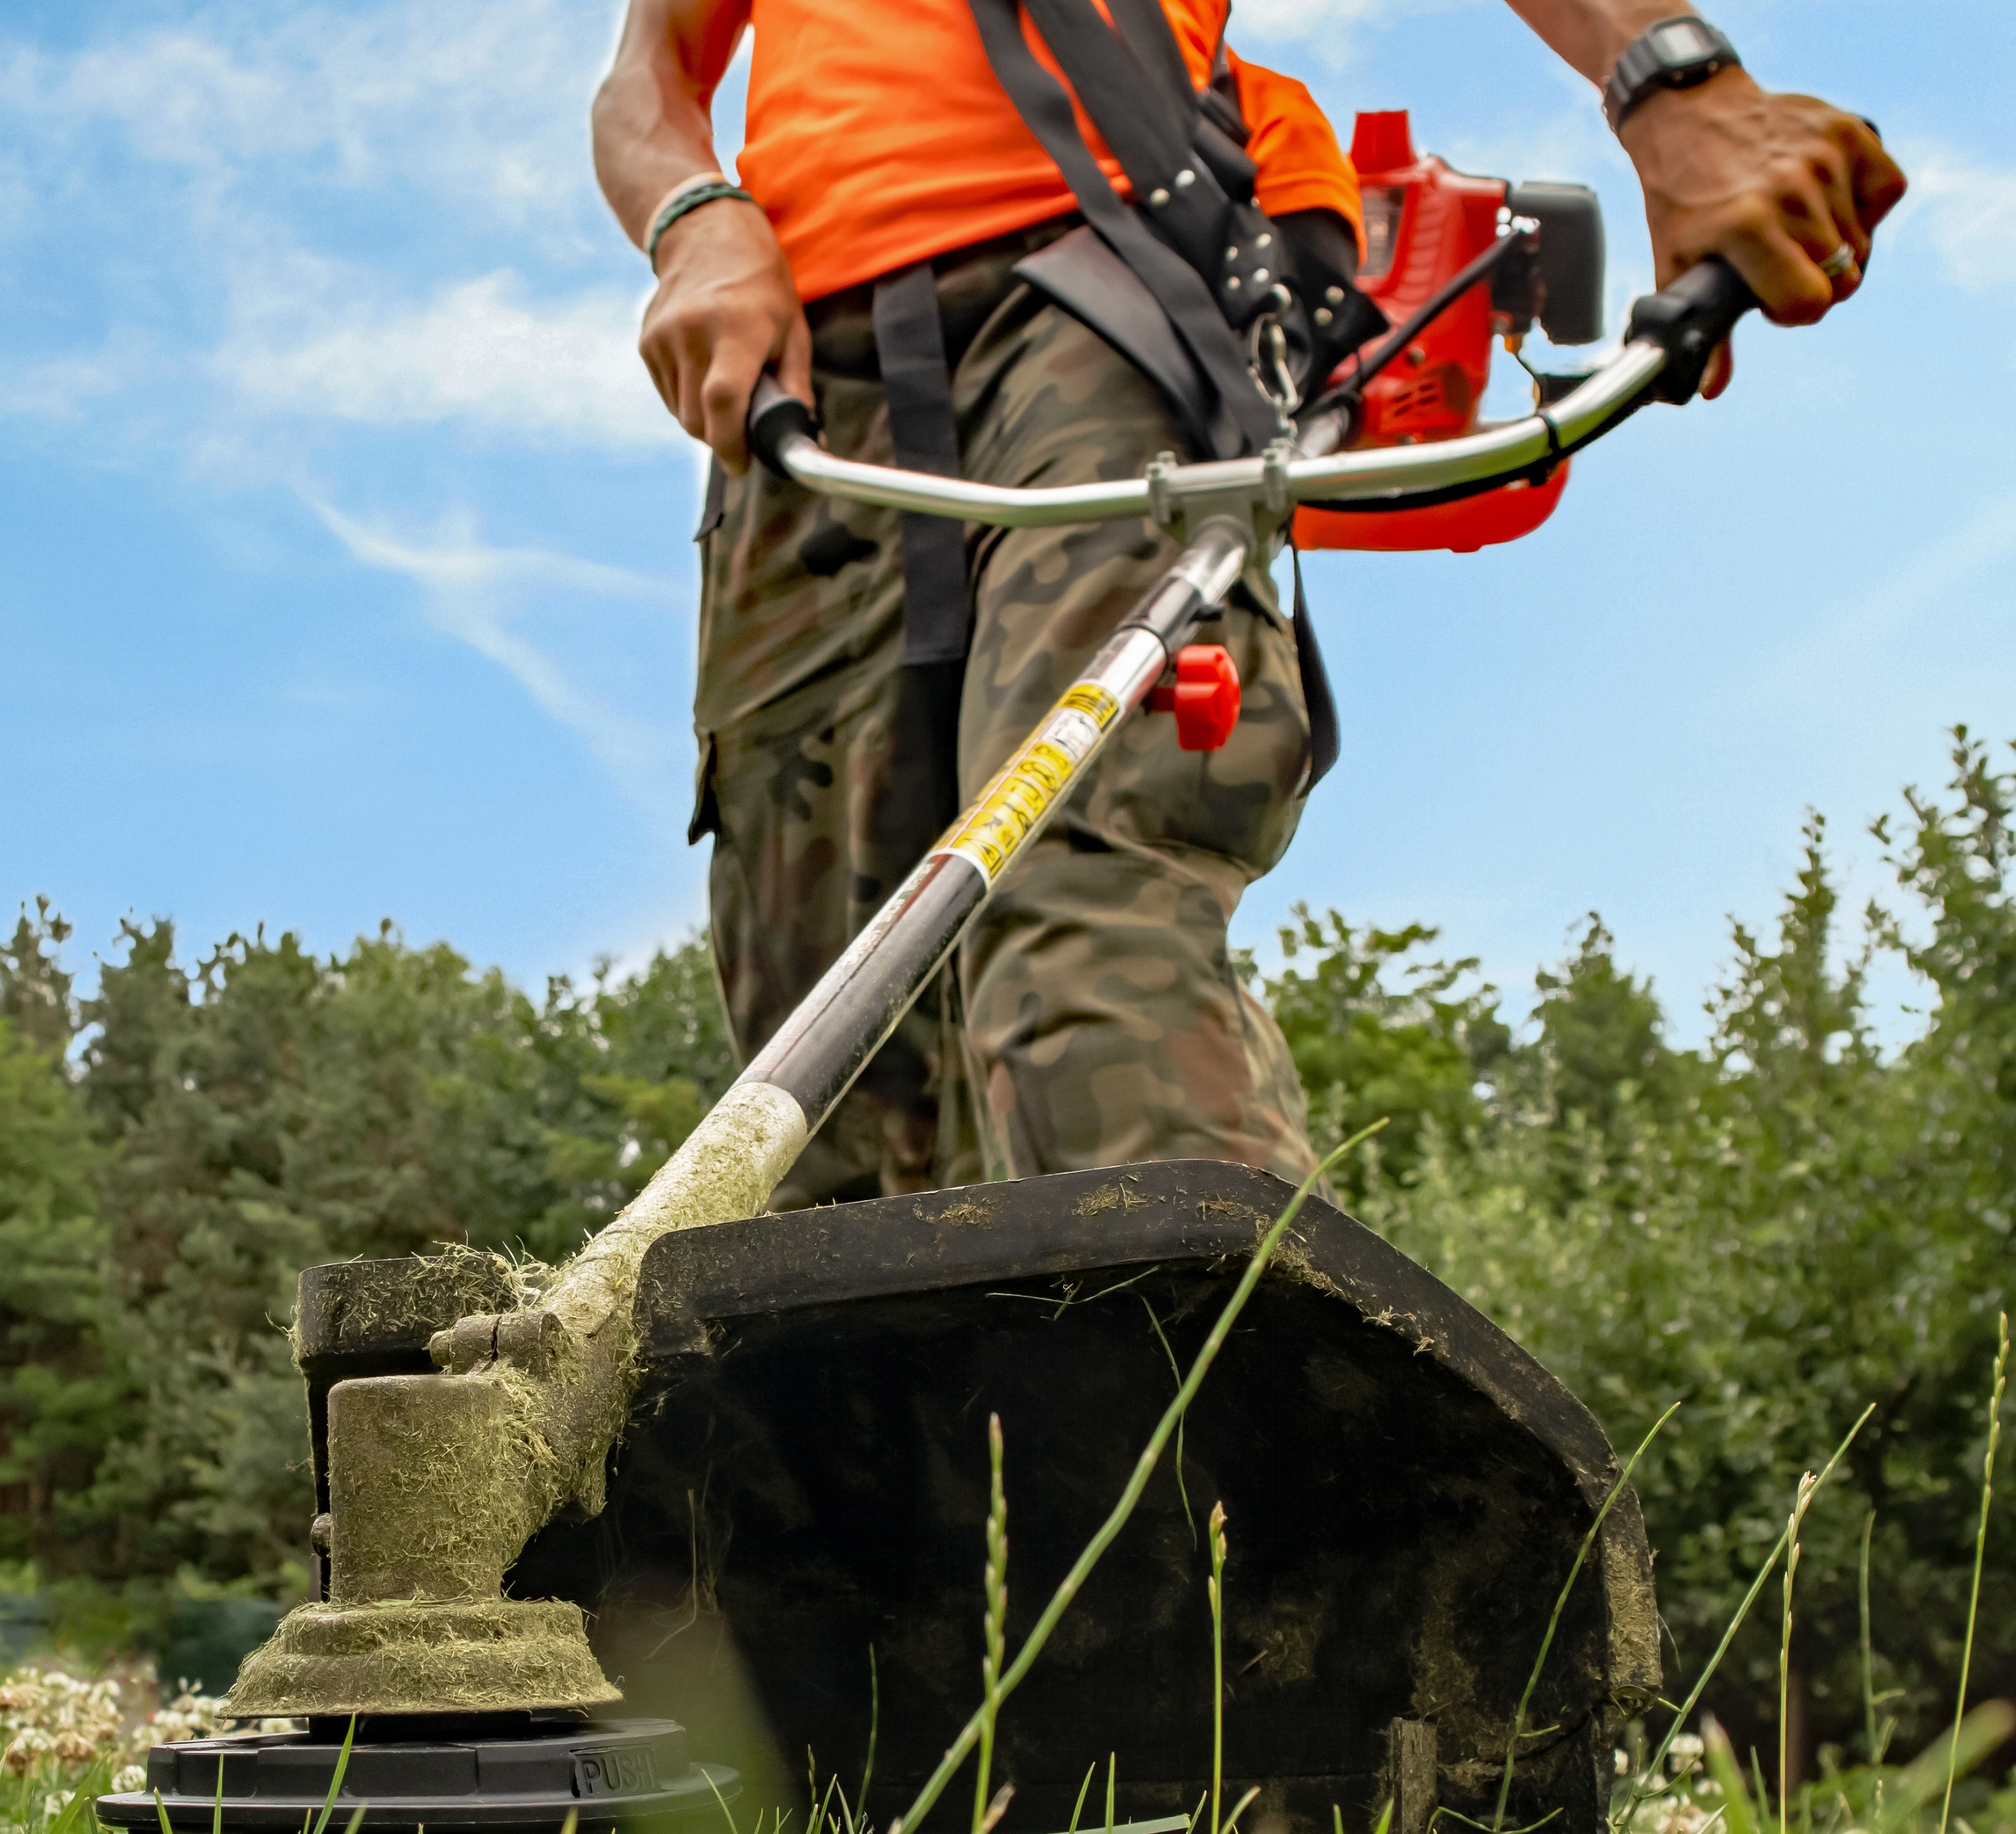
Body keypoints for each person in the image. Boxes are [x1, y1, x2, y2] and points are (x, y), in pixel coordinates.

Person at [592, 3, 1903, 1206]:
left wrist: (1671, 81)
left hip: (1088, 302)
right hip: (801, 407)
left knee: (1075, 918)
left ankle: (1226, 1443)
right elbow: (645, 79)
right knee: (816, 1073)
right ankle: (920, 1460)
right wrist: (692, 216)